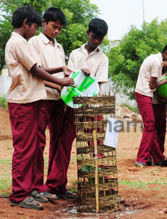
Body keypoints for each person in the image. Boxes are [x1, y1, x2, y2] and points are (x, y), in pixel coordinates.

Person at [6, 6, 74, 210]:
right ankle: (19, 193)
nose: (35, 30)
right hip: (23, 100)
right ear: (27, 23)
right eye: (35, 26)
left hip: (31, 99)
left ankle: (28, 190)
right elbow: (35, 69)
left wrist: (61, 70)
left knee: (29, 147)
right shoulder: (19, 42)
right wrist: (60, 82)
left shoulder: (21, 42)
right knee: (25, 149)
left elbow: (38, 68)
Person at [43, 18, 109, 199]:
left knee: (96, 145)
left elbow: (100, 85)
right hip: (73, 106)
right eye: (94, 37)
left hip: (93, 107)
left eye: (100, 39)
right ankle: (56, 185)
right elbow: (69, 78)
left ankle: (99, 182)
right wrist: (81, 72)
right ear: (88, 33)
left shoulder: (103, 58)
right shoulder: (75, 54)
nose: (96, 41)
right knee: (64, 143)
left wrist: (90, 77)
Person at [28, 7, 71, 201]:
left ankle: (55, 184)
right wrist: (60, 83)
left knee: (59, 141)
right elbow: (37, 73)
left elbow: (62, 75)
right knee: (38, 143)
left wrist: (66, 83)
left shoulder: (60, 47)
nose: (56, 31)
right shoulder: (35, 42)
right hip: (41, 98)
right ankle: (36, 186)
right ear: (43, 23)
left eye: (60, 29)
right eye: (54, 26)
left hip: (59, 100)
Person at [134, 42, 167, 167]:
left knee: (151, 126)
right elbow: (152, 85)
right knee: (150, 125)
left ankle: (157, 158)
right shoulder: (156, 63)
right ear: (166, 53)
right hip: (144, 93)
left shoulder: (156, 60)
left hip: (146, 94)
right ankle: (142, 158)